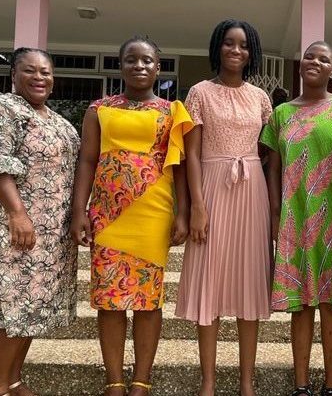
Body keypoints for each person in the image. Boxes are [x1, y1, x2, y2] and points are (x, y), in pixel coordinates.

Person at [69, 35, 193, 396]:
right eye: (131, 60)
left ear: (158, 68)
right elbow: (87, 160)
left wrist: (183, 213)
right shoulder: (99, 109)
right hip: (106, 214)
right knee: (109, 300)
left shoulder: (172, 111)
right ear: (120, 65)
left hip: (153, 213)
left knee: (148, 301)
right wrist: (79, 210)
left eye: (147, 61)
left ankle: (141, 381)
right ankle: (114, 382)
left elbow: (180, 167)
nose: (139, 66)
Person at [0, 47, 80, 396]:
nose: (39, 77)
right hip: (12, 229)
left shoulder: (54, 119)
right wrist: (17, 213)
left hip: (50, 233)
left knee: (31, 307)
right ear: (13, 75)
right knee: (14, 306)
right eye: (30, 70)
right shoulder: (1, 110)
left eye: (46, 72)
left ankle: (12, 380)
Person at [260, 41, 332, 396]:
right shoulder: (280, 114)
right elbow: (273, 169)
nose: (315, 62)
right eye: (310, 56)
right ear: (300, 64)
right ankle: (301, 385)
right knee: (301, 304)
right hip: (295, 218)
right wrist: (275, 216)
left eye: (324, 59)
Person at [175, 19, 273, 396]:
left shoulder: (261, 98)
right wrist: (197, 206)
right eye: (229, 43)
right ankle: (209, 383)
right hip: (212, 186)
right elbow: (191, 154)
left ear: (252, 53)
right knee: (209, 284)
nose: (236, 50)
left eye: (244, 45)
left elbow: (269, 151)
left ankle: (247, 384)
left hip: (251, 189)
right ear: (217, 47)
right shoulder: (199, 92)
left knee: (250, 284)